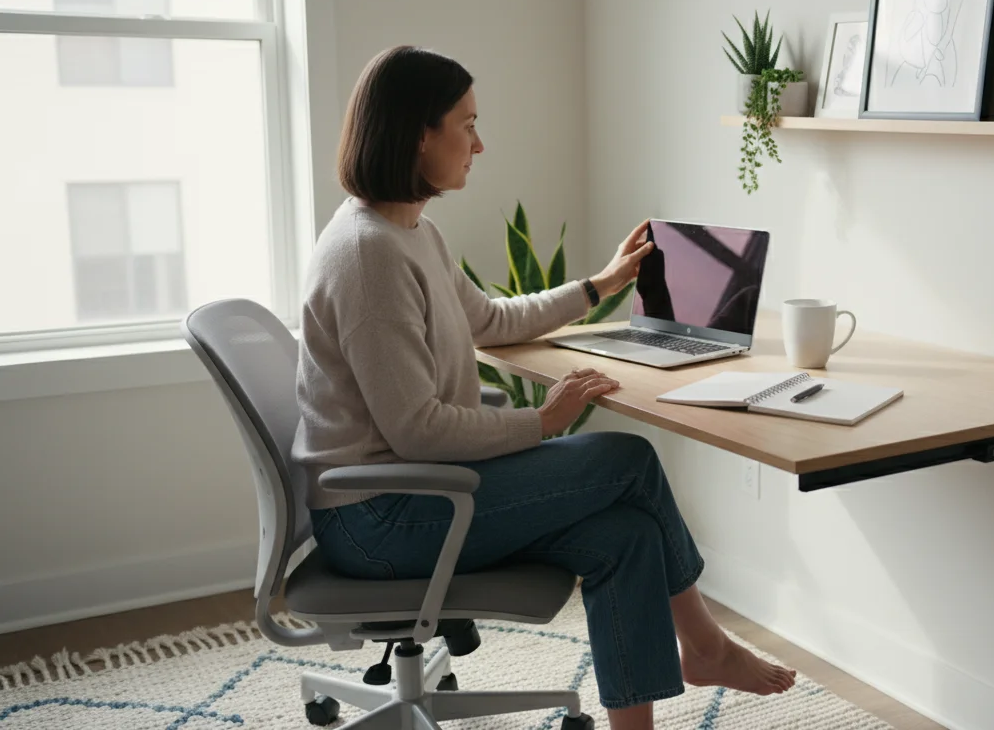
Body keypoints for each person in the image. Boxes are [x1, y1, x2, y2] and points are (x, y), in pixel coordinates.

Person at [290, 45, 795, 730]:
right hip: (381, 518)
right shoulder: (368, 257)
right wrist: (543, 421)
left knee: (625, 535)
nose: (480, 143)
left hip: (418, 490)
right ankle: (705, 646)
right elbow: (416, 428)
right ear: (418, 135)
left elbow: (490, 321)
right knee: (629, 459)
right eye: (465, 125)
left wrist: (600, 285)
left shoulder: (411, 232)